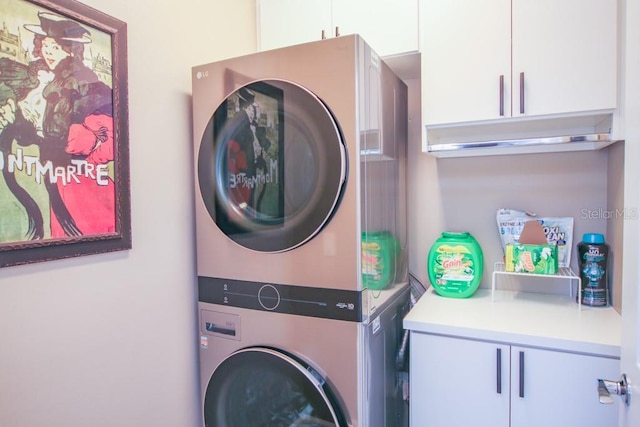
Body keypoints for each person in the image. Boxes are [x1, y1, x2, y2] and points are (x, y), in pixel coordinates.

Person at [0, 11, 114, 240]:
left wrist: (70, 136)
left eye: (57, 47)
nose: (49, 52)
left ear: (71, 50)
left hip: (73, 177)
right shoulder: (32, 77)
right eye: (46, 45)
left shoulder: (87, 86)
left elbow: (105, 140)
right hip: (33, 170)